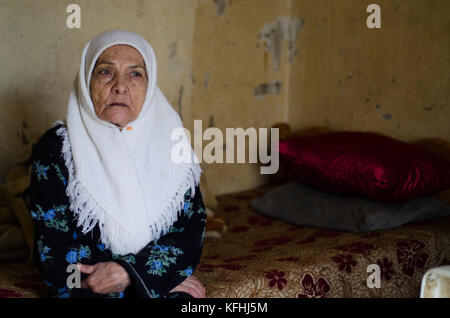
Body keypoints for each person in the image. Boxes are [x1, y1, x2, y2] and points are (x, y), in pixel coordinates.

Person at [29, 30, 207, 298]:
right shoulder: (57, 149)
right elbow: (53, 259)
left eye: (135, 74)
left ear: (150, 85)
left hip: (148, 279)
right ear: (86, 82)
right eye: (105, 72)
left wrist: (130, 273)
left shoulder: (172, 143)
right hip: (90, 289)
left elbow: (190, 232)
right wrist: (148, 277)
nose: (120, 86)